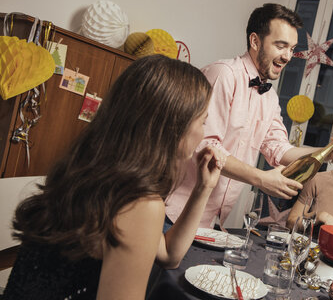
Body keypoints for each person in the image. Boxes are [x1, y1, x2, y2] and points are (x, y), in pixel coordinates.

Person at [3, 55, 225, 299]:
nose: (204, 134)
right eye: (203, 122)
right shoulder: (139, 204)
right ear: (173, 126)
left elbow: (169, 255)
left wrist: (203, 188)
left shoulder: (90, 174)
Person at [165, 3, 333, 229]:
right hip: (174, 212)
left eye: (292, 48)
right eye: (281, 46)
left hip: (212, 222)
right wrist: (260, 179)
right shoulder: (223, 74)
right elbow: (205, 146)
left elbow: (280, 150)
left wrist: (328, 152)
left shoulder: (269, 98)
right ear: (255, 41)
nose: (288, 56)